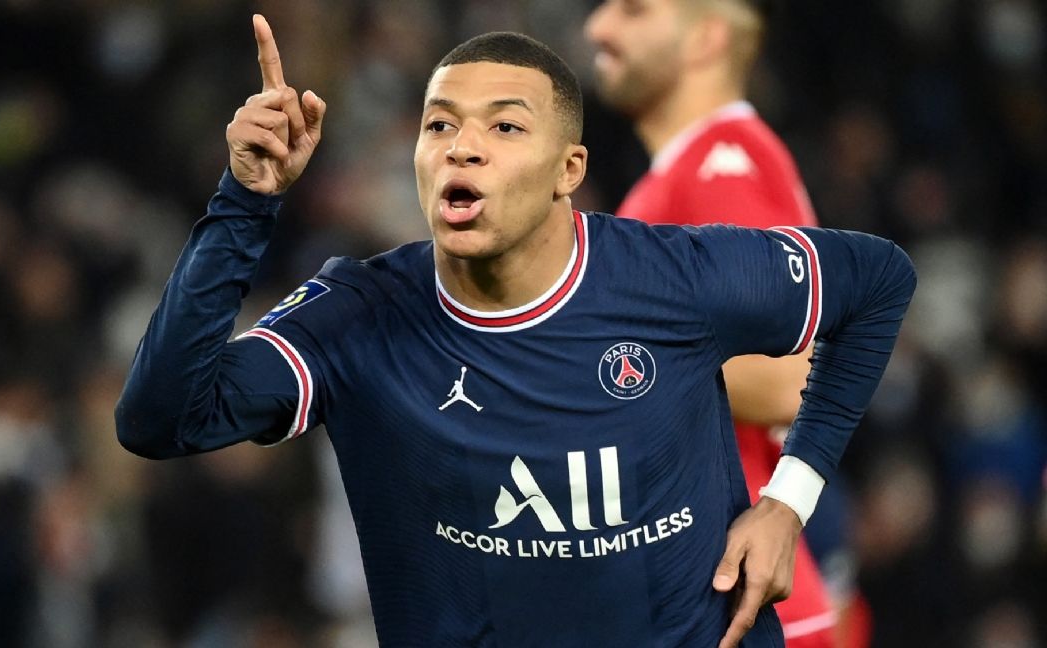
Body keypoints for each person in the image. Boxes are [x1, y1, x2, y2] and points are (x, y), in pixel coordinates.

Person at [115, 15, 915, 647]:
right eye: (438, 126)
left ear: (569, 170)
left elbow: (879, 282)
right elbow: (161, 418)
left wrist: (787, 502)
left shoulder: (672, 276)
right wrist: (245, 203)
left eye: (505, 128)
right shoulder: (359, 317)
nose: (463, 147)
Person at [585, 1, 863, 645]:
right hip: (713, 584)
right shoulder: (686, 173)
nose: (599, 26)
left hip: (730, 593)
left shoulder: (719, 163)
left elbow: (790, 377)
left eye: (634, 10)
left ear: (705, 38)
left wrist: (591, 358)